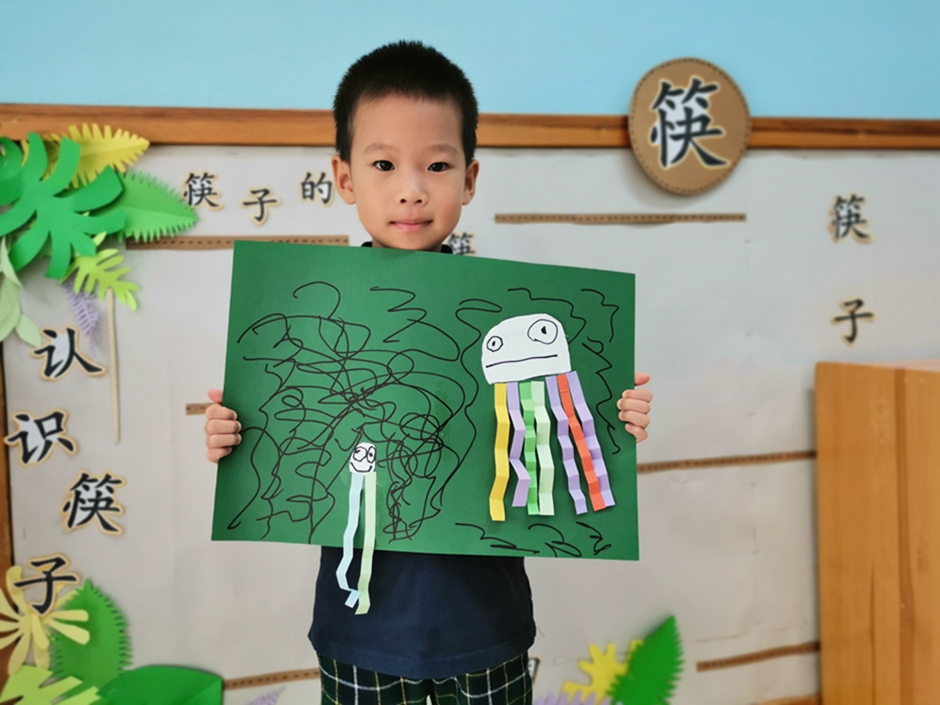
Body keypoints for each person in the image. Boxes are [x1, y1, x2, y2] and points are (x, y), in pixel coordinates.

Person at [204, 41, 653, 705]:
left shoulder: (514, 317)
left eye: (437, 165)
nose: (411, 188)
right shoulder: (310, 318)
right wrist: (233, 433)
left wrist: (616, 420)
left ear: (469, 178)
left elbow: (564, 449)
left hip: (486, 629)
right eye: (384, 164)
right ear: (345, 177)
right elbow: (285, 449)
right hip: (359, 633)